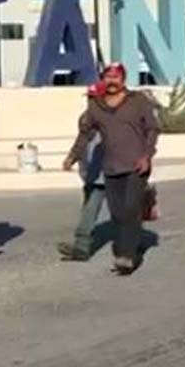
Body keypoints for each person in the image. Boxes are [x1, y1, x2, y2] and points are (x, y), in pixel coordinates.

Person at [63, 62, 159, 275]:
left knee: (130, 209)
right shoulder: (96, 106)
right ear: (102, 79)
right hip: (111, 167)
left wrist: (147, 155)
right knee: (118, 214)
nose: (112, 81)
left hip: (137, 165)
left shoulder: (138, 101)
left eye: (116, 77)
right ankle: (129, 245)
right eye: (108, 77)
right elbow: (85, 134)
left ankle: (127, 256)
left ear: (123, 79)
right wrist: (72, 156)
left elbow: (152, 128)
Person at [57, 84, 109, 262]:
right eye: (89, 98)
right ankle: (83, 245)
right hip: (92, 172)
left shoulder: (115, 117)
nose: (91, 101)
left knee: (107, 208)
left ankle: (82, 246)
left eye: (94, 98)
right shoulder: (86, 118)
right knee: (89, 205)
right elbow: (82, 140)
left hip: (111, 171)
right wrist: (72, 158)